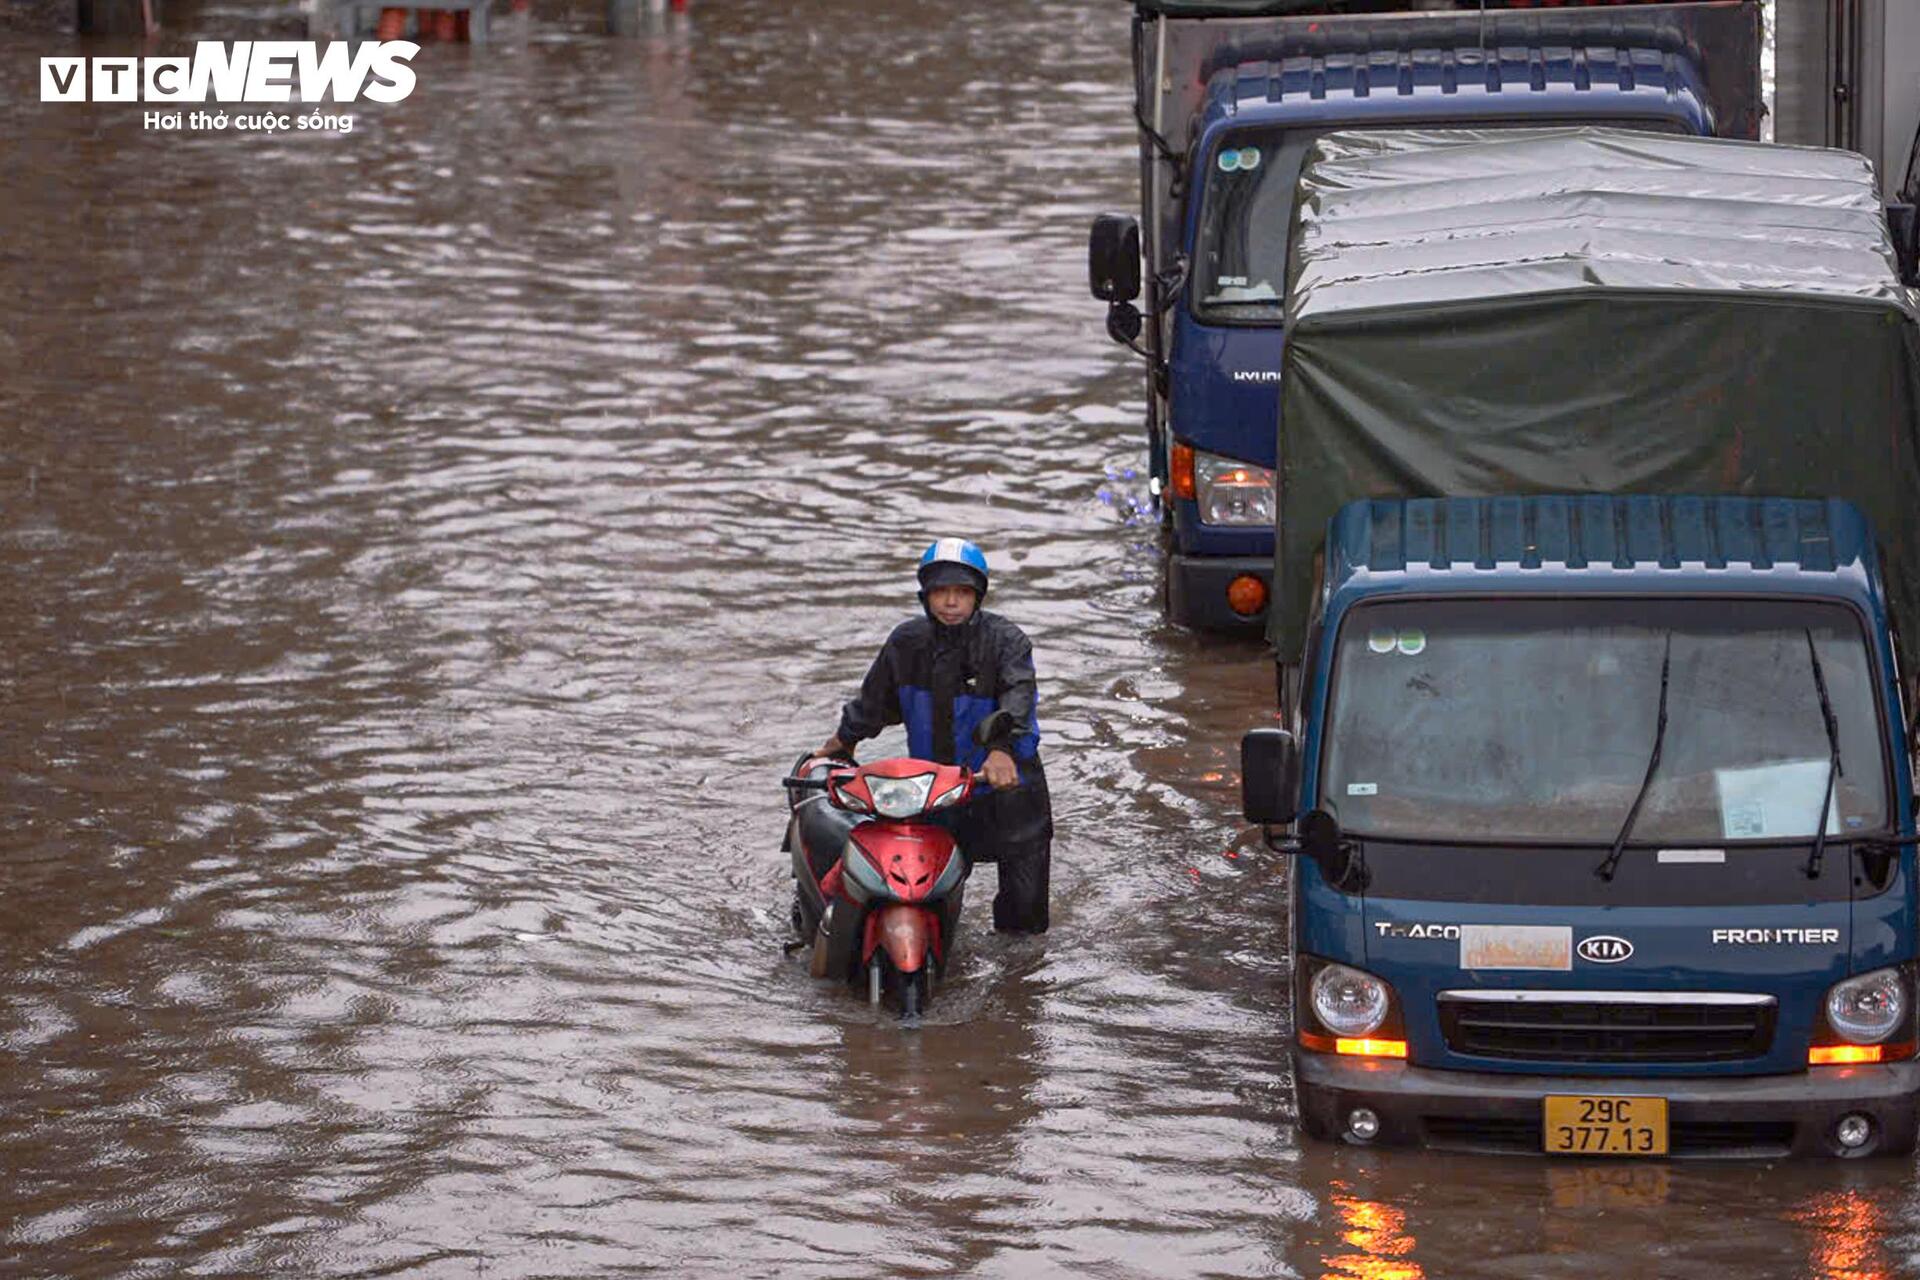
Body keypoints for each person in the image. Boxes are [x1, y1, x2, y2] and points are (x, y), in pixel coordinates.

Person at [817, 538, 1053, 933]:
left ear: (978, 596)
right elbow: (875, 700)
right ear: (925, 597)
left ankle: (1019, 985)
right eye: (941, 592)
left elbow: (1019, 697)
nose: (950, 603)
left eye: (961, 592)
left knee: (1024, 921)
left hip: (1007, 792)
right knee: (922, 896)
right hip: (936, 793)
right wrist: (843, 740)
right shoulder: (905, 643)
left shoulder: (1006, 642)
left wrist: (1001, 750)